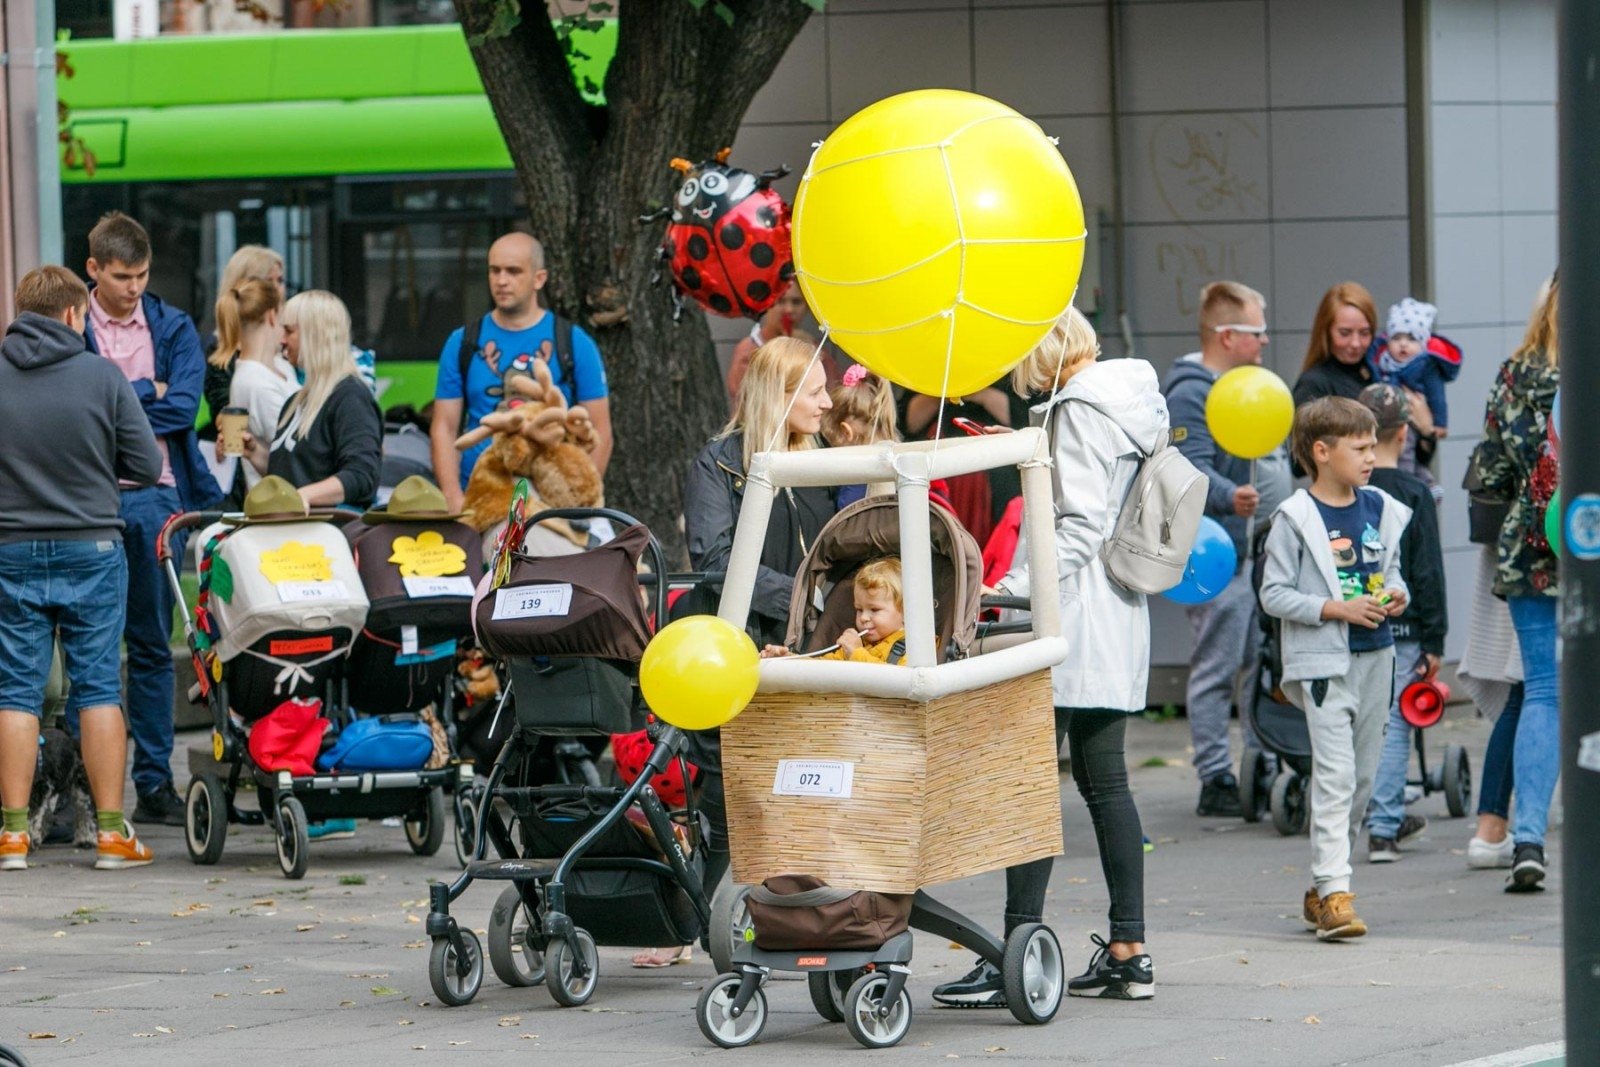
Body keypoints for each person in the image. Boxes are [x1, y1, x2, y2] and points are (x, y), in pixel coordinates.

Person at [936, 307, 1162, 1007]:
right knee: (1106, 786)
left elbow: (1075, 527)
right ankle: (1129, 948)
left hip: (1072, 617)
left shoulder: (1077, 410)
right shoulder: (1132, 401)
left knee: (1028, 785)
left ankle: (1014, 950)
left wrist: (1003, 590)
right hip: (1115, 613)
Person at [636, 336, 837, 970]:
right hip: (739, 643)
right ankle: (697, 919)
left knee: (794, 786)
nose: (828, 403)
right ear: (777, 396)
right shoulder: (720, 463)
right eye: (815, 391)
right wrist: (805, 600)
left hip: (810, 641)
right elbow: (719, 563)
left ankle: (781, 919)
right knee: (731, 791)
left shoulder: (824, 456)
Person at [0, 266, 163, 871]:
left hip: (11, 549)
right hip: (92, 549)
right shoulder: (102, 376)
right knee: (97, 687)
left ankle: (13, 836)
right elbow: (146, 466)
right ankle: (113, 836)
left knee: (15, 688)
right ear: (73, 315)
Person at [82, 211, 224, 828]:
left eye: (142, 275)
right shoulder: (69, 320)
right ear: (94, 270)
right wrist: (145, 391)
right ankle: (82, 796)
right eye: (121, 276)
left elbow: (184, 411)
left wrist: (115, 397)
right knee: (84, 650)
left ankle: (154, 785)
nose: (134, 287)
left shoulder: (171, 326)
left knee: (147, 646)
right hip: (83, 498)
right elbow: (73, 411)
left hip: (152, 495)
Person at [1259, 397, 1411, 940]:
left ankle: (1323, 887)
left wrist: (1397, 596)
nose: (1372, 456)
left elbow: (1393, 573)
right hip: (1324, 663)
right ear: (1321, 452)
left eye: (1374, 446)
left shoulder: (1380, 508)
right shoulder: (1295, 519)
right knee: (1336, 775)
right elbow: (1274, 593)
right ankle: (1335, 890)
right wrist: (1334, 608)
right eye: (1361, 447)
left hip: (1379, 655)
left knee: (1363, 780)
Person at [1161, 281, 1293, 816]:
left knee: (1255, 663)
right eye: (1258, 332)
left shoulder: (1246, 387)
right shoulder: (1191, 392)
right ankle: (1216, 778)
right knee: (1218, 665)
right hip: (1217, 554)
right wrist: (1229, 496)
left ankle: (1257, 766)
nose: (1265, 342)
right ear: (1228, 334)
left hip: (1255, 551)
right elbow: (1186, 468)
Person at [1466, 273, 1560, 892]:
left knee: (1545, 691)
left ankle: (1527, 838)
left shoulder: (1518, 373)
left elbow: (1493, 470)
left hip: (1535, 542)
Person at [430, 232, 612, 510]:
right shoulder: (462, 342)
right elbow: (444, 427)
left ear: (539, 278)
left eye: (513, 271)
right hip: (482, 493)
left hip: (551, 500)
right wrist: (454, 498)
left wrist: (575, 503)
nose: (501, 281)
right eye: (495, 271)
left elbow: (601, 431)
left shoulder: (574, 342)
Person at [1356, 385, 1445, 862]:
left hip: (1351, 623)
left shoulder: (1350, 493)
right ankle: (1384, 827)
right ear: (1405, 434)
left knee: (1355, 727)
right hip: (1405, 628)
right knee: (1393, 726)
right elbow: (1428, 571)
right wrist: (1436, 639)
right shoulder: (1414, 493)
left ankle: (1357, 815)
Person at [238, 290, 384, 513]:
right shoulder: (295, 401)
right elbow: (293, 474)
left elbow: (362, 476)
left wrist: (301, 497)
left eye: (289, 331)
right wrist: (254, 452)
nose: (281, 340)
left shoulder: (351, 397)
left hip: (324, 537)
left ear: (315, 335)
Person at [215, 280, 296, 492]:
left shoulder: (280, 367)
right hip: (280, 502)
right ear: (272, 315)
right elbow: (294, 454)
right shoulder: (255, 383)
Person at [204, 244, 287, 431]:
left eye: (280, 281)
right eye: (267, 282)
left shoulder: (292, 337)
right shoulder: (220, 349)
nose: (277, 290)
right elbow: (224, 413)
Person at [761, 557, 907, 664]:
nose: (863, 618)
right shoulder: (858, 645)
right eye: (859, 609)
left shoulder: (914, 648)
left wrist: (856, 653)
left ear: (905, 611)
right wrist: (787, 660)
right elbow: (822, 668)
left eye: (874, 610)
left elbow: (895, 680)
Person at [724, 284, 835, 404]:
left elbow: (830, 392)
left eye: (796, 302)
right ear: (766, 305)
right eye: (780, 301)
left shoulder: (812, 346)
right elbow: (748, 399)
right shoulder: (750, 349)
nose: (789, 309)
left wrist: (812, 356)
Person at [1292, 282, 1380, 408]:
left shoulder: (1378, 374)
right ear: (1326, 332)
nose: (1356, 343)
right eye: (1345, 333)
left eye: (1364, 333)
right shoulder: (1313, 385)